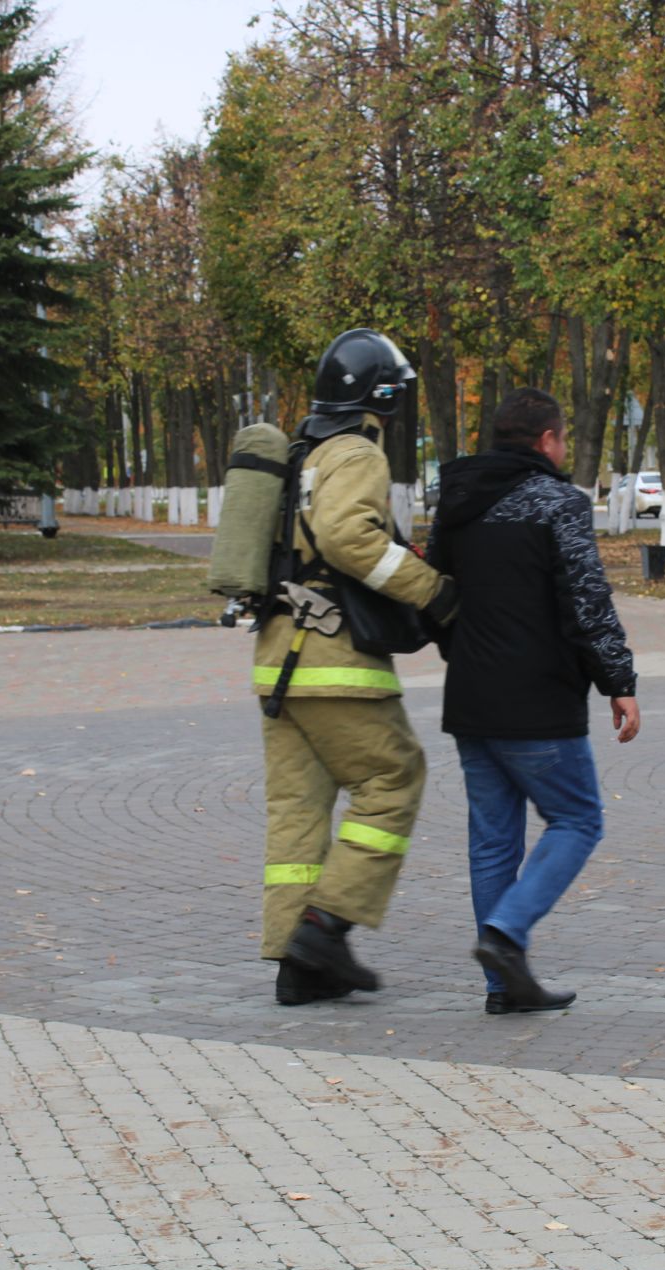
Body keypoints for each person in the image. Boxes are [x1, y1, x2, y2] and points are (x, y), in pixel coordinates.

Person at [255, 328, 459, 1006]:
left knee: (297, 817)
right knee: (394, 777)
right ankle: (326, 926)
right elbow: (348, 538)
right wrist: (432, 591)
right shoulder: (356, 453)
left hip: (278, 660)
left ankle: (296, 966)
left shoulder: (299, 453)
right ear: (386, 395)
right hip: (334, 661)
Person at [427, 388, 641, 1014]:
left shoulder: (457, 503)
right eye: (562, 437)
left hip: (471, 695)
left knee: (494, 841)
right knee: (579, 820)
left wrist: (461, 652)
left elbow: (436, 591)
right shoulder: (558, 502)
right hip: (538, 700)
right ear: (546, 440)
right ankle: (505, 935)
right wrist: (619, 681)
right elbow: (587, 598)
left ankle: (505, 987)